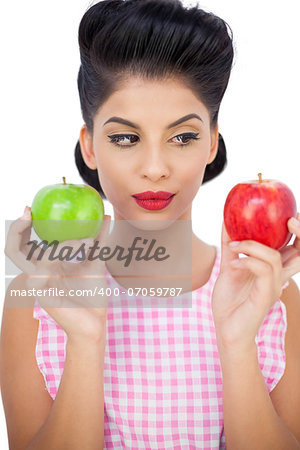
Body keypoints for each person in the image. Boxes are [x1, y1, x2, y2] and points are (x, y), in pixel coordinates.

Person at [1, 0, 300, 448]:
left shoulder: (270, 294)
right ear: (90, 147)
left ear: (213, 143)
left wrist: (237, 343)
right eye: (125, 138)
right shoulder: (37, 297)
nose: (156, 168)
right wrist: (84, 337)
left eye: (183, 137)